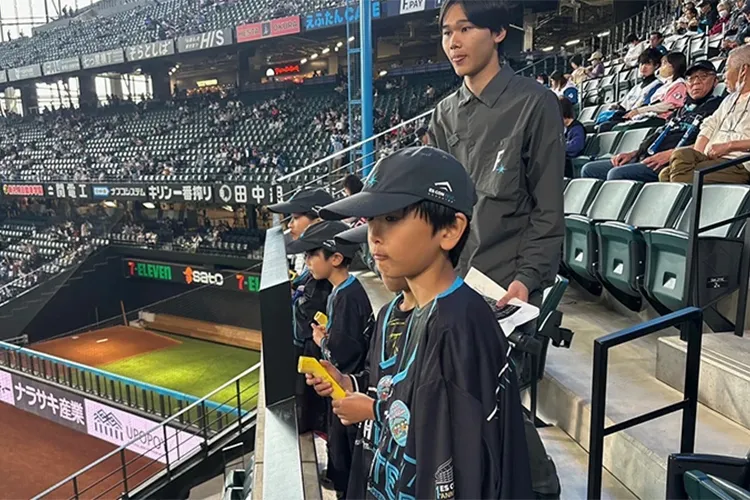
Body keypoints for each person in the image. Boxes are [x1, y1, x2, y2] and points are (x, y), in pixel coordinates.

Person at [318, 146, 534, 499]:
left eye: (392, 217)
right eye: (370, 220)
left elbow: (462, 462)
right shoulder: (398, 312)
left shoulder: (462, 326)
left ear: (450, 230)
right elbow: (395, 393)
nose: (374, 235)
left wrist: (374, 411)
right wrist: (348, 384)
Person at [428, 0, 565, 307]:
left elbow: (548, 207)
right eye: (447, 33)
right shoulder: (443, 114)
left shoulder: (535, 103)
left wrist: (527, 277)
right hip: (451, 282)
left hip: (508, 288)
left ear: (499, 32)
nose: (454, 42)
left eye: (465, 29)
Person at [306, 223, 417, 500]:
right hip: (376, 463)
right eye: (371, 237)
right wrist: (347, 381)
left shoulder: (455, 322)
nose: (375, 248)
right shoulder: (389, 312)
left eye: (390, 227)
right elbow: (378, 377)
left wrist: (374, 410)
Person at [287, 220, 374, 498]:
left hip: (350, 392)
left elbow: (344, 353)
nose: (307, 261)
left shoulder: (347, 294)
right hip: (349, 388)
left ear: (335, 258)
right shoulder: (344, 289)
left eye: (312, 254)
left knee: (347, 467)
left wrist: (322, 341)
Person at [581, 60, 722, 182]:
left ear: (715, 81)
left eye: (703, 77)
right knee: (589, 169)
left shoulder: (718, 108)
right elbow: (659, 135)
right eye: (691, 78)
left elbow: (710, 144)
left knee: (617, 174)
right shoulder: (682, 110)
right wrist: (634, 153)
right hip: (649, 157)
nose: (696, 82)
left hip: (673, 163)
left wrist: (671, 155)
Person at [267, 188, 334, 436]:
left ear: (319, 220)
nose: (290, 225)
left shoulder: (328, 278)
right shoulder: (312, 270)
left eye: (296, 218)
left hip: (320, 365)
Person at [662, 46, 750, 184]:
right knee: (668, 171)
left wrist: (729, 146)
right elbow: (709, 124)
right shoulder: (730, 99)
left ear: (743, 70)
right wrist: (697, 155)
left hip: (738, 162)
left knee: (682, 174)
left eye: (727, 69)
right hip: (712, 158)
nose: (723, 75)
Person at [597, 48, 663, 132]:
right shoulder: (636, 87)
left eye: (648, 64)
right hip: (625, 118)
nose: (643, 67)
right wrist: (616, 107)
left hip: (636, 120)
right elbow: (623, 107)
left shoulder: (657, 86)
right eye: (642, 63)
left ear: (656, 66)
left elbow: (645, 108)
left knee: (604, 127)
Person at [619, 51, 688, 128]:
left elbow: (669, 105)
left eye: (664, 63)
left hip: (663, 120)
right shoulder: (666, 85)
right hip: (651, 116)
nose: (661, 67)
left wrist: (641, 110)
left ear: (674, 66)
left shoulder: (679, 85)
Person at [561, 96, 586, 177]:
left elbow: (576, 146)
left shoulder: (577, 128)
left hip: (569, 163)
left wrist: (557, 147)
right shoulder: (562, 128)